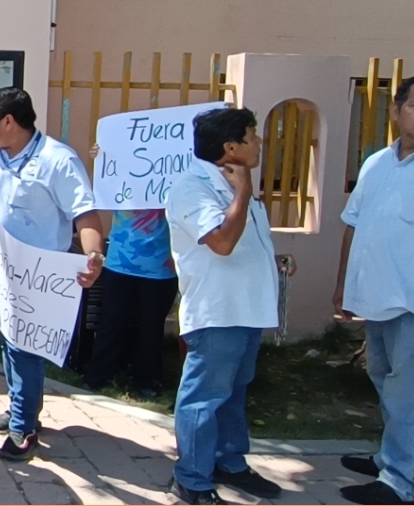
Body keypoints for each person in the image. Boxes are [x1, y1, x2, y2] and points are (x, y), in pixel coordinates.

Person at [0, 87, 105, 461]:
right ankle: (21, 409)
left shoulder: (58, 160)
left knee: (25, 346)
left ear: (9, 121)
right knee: (10, 341)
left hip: (40, 277)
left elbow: (84, 213)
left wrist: (93, 255)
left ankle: (23, 428)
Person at [165, 107, 293, 505]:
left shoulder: (240, 184)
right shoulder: (192, 187)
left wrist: (270, 260)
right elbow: (221, 242)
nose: (259, 144)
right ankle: (191, 478)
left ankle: (229, 461)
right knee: (204, 397)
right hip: (218, 312)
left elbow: (243, 241)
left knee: (234, 392)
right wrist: (242, 193)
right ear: (230, 147)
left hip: (248, 308)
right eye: (253, 136)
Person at [333, 75, 414, 506]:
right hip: (376, 297)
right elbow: (354, 226)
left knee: (410, 392)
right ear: (396, 111)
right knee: (385, 382)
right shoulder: (376, 163)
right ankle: (392, 457)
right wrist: (343, 288)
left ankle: (401, 482)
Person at [82, 147, 179, 397]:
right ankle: (98, 376)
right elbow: (105, 185)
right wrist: (103, 158)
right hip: (119, 263)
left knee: (150, 327)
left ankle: (147, 380)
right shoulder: (121, 180)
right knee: (111, 321)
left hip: (160, 267)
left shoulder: (174, 181)